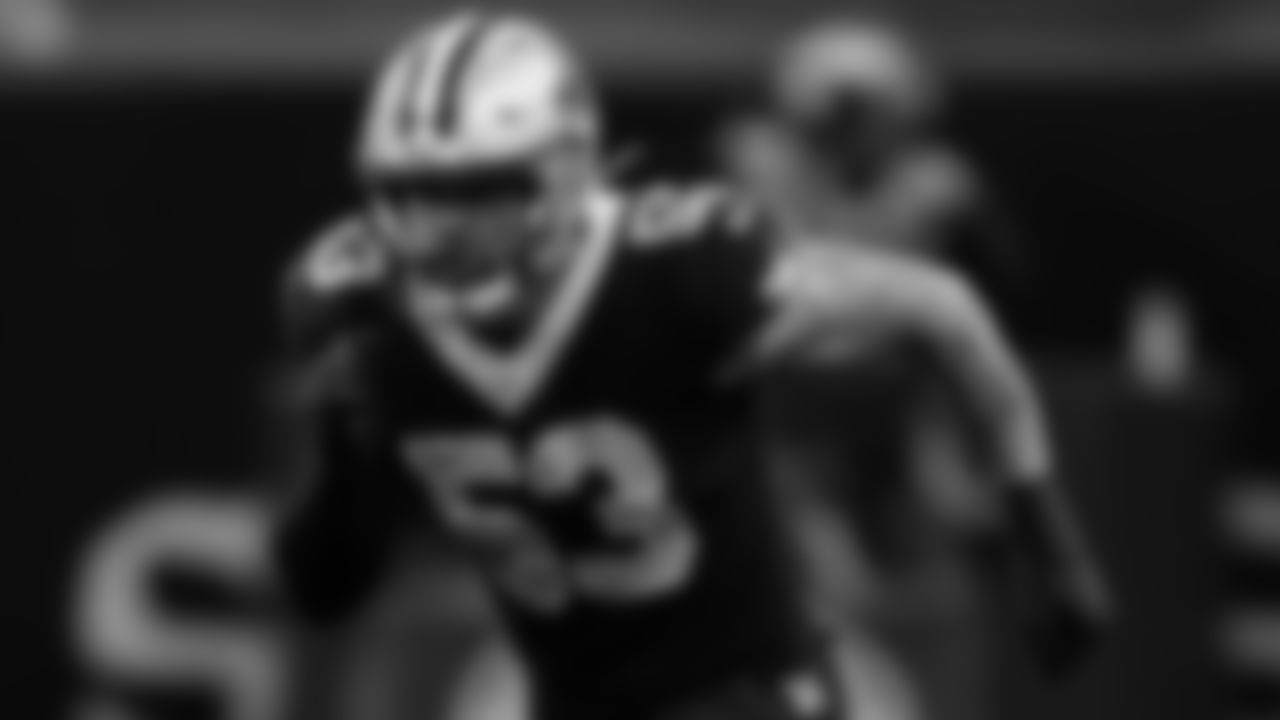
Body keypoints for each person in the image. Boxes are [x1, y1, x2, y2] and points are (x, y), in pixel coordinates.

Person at [269, 11, 1109, 720]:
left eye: (476, 192)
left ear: (563, 174)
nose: (437, 233)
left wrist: (1044, 530)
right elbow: (323, 591)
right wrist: (342, 453)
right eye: (409, 194)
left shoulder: (678, 268)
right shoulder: (356, 309)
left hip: (748, 696)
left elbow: (942, 306)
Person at [722, 20, 1040, 720]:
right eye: (838, 117)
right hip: (786, 410)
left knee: (939, 576)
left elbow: (1006, 293)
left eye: (869, 117)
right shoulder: (757, 173)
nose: (854, 137)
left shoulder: (936, 187)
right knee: (814, 584)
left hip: (898, 406)